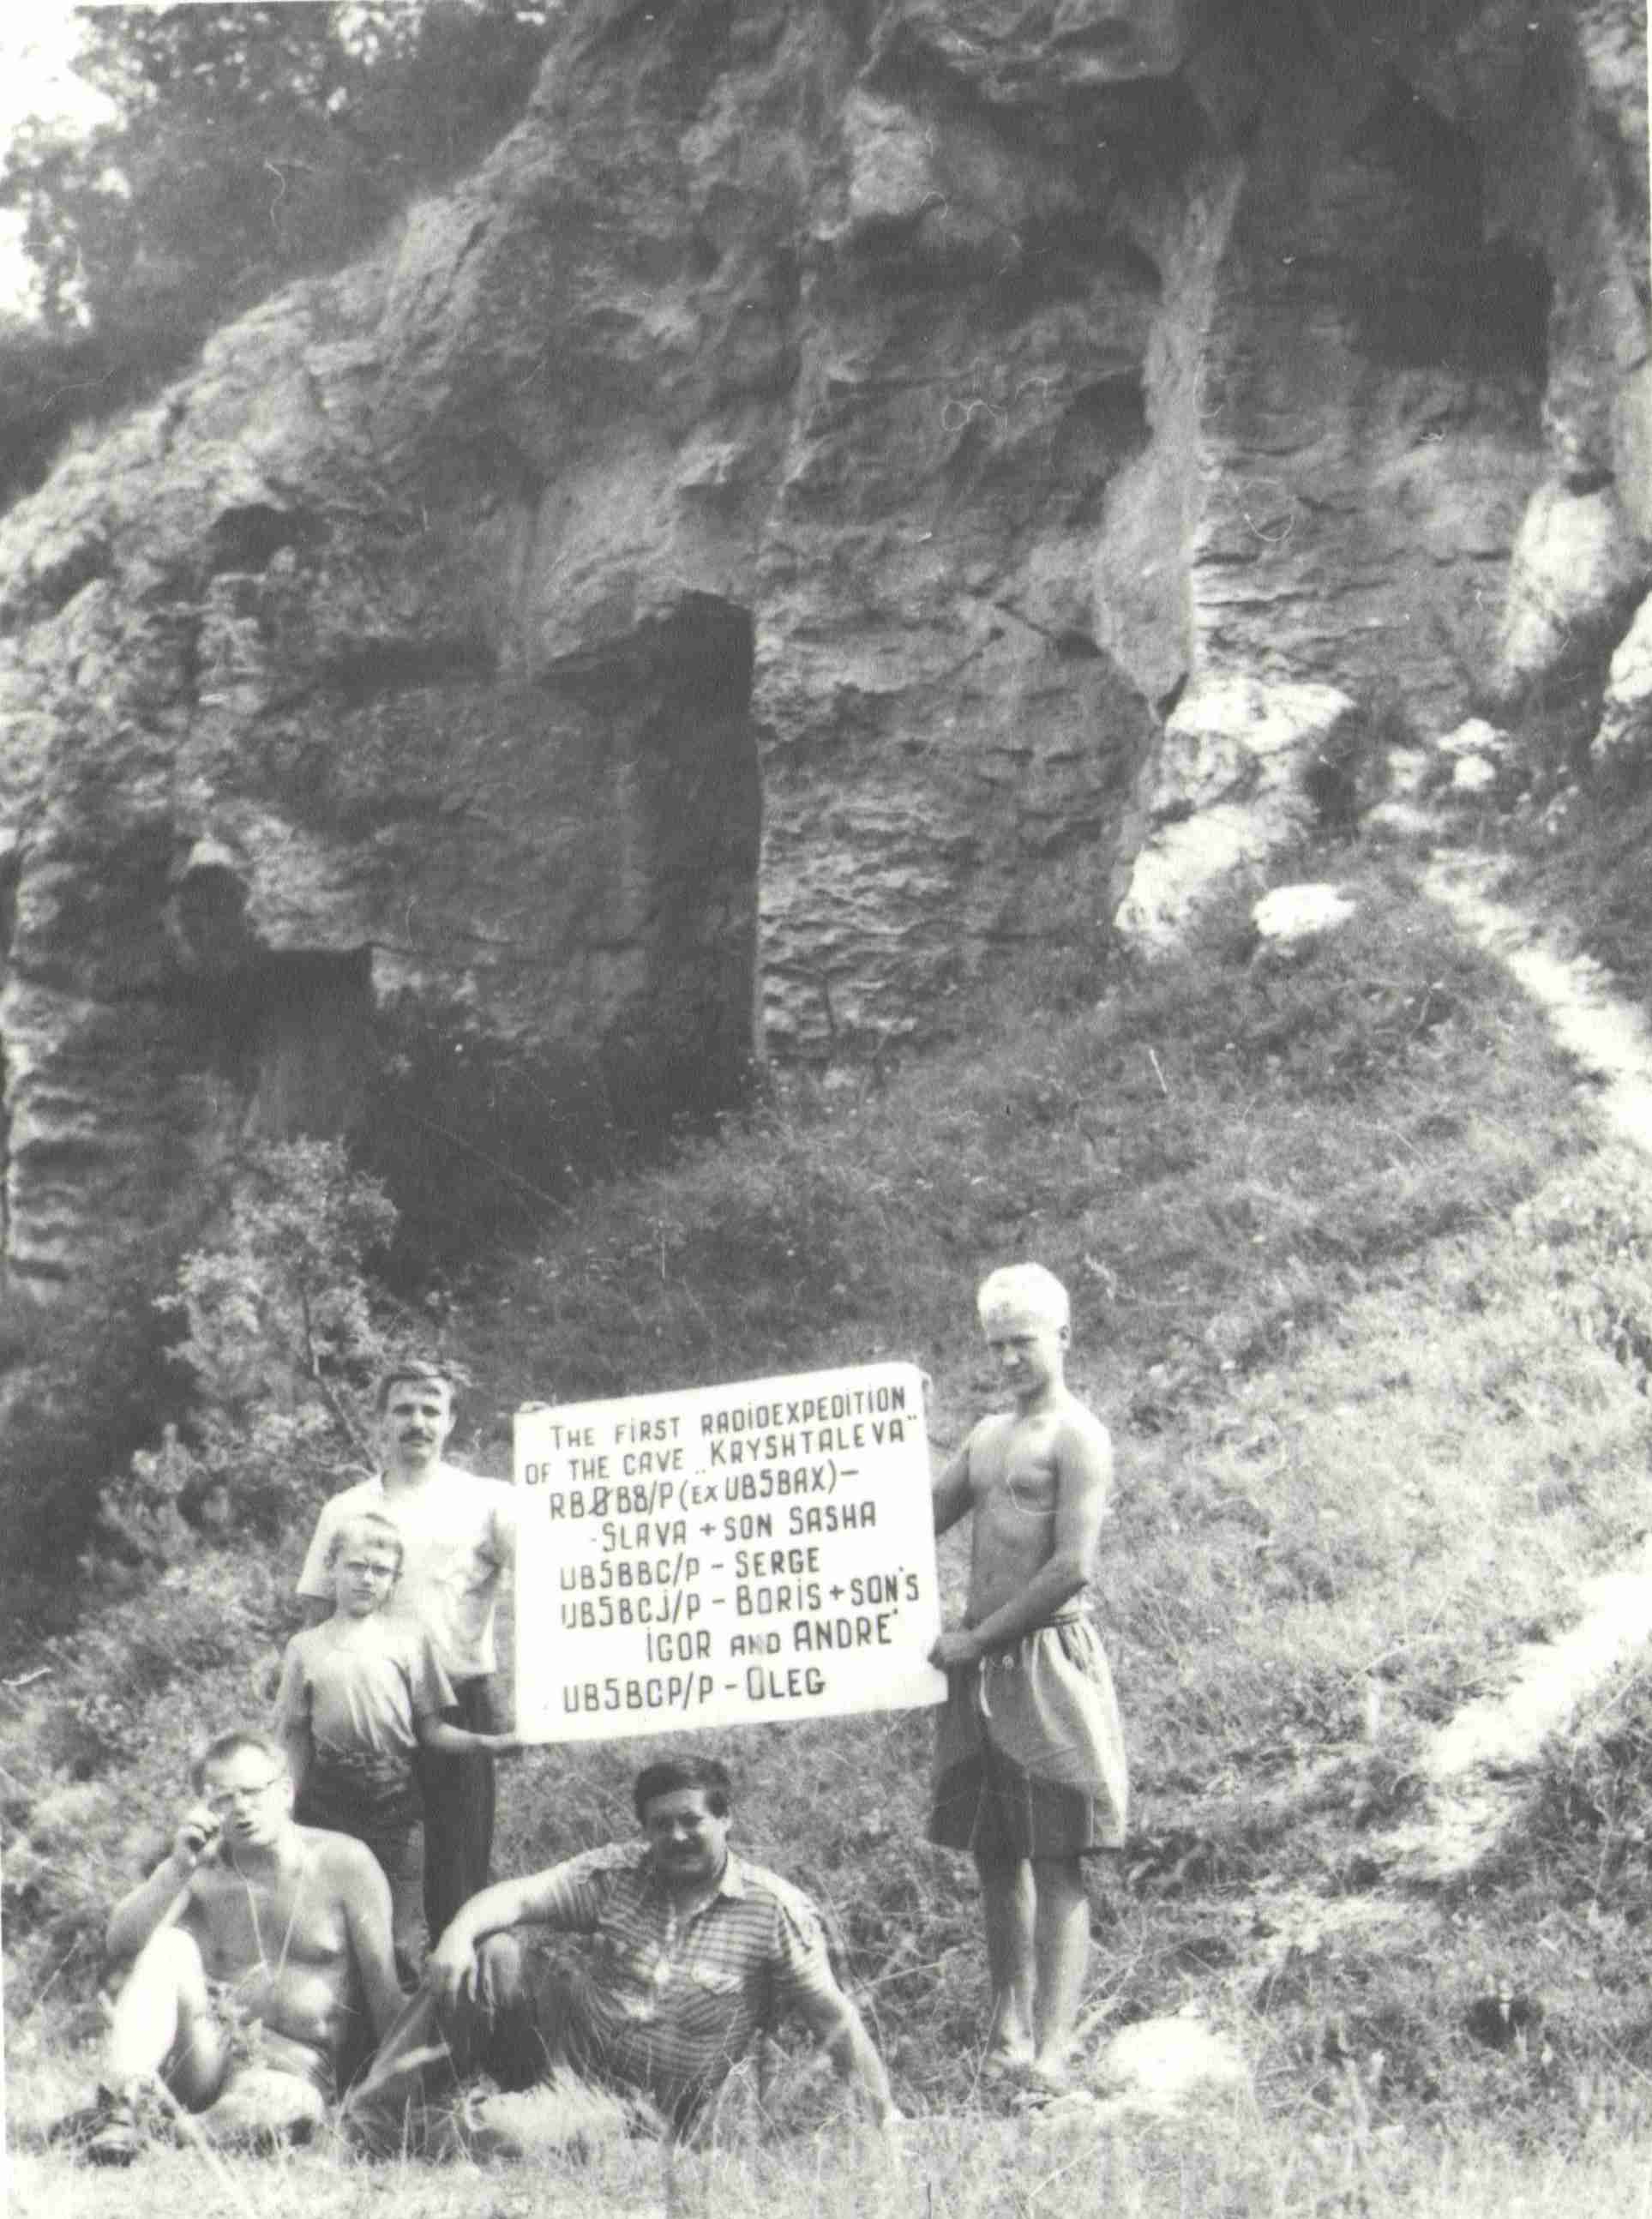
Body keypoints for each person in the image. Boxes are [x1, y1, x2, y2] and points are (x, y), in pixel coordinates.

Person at [349, 1755, 900, 2145]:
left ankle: (434, 2130)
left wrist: (886, 2119)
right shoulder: (620, 1875)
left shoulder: (774, 1910)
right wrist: (455, 1936)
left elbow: (834, 2019)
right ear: (645, 1831)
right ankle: (368, 2122)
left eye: (692, 1821)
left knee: (499, 2131)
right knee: (491, 1953)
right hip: (559, 2045)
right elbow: (515, 1897)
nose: (677, 1836)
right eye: (662, 1825)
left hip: (627, 2103)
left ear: (725, 1819)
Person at [928, 1263, 1128, 2095]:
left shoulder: (1077, 1435)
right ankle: (1004, 2037)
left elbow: (1071, 1565)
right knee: (994, 1852)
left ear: (1063, 1337)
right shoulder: (985, 1434)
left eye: (1023, 1341)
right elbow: (913, 1519)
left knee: (1055, 1856)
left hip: (1046, 1661)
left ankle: (1053, 2050)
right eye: (996, 1345)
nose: (1009, 1358)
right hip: (978, 1672)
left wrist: (979, 1636)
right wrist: (884, 1433)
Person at [75, 1728, 405, 2165]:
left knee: (286, 2104)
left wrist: (393, 2099)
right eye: (224, 1799)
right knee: (170, 1945)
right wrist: (176, 1868)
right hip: (209, 2056)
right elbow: (120, 1941)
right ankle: (122, 2105)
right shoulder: (200, 1869)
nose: (242, 1809)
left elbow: (384, 1990)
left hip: (295, 2068)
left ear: (285, 1792)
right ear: (205, 1807)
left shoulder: (345, 1864)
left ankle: (167, 2135)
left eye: (253, 1792)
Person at [297, 1361, 517, 1947]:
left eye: (430, 1409)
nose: (417, 1422)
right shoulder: (343, 1509)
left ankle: (455, 1994)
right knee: (365, 1874)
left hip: (456, 1702)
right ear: (380, 1420)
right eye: (402, 1410)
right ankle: (374, 1997)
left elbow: (556, 1562)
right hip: (365, 1706)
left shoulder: (488, 1500)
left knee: (458, 1874)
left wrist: (554, 1457)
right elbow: (316, 1617)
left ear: (451, 1421)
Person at [278, 1510, 526, 1976]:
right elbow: (294, 1737)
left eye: (380, 1570)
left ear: (394, 1580)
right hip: (327, 1800)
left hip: (394, 1801)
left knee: (401, 1937)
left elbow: (432, 1732)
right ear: (331, 1567)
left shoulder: (410, 1642)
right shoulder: (304, 1648)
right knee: (331, 1929)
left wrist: (488, 1745)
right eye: (356, 1566)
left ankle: (409, 2016)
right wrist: (285, 1805)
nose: (367, 1579)